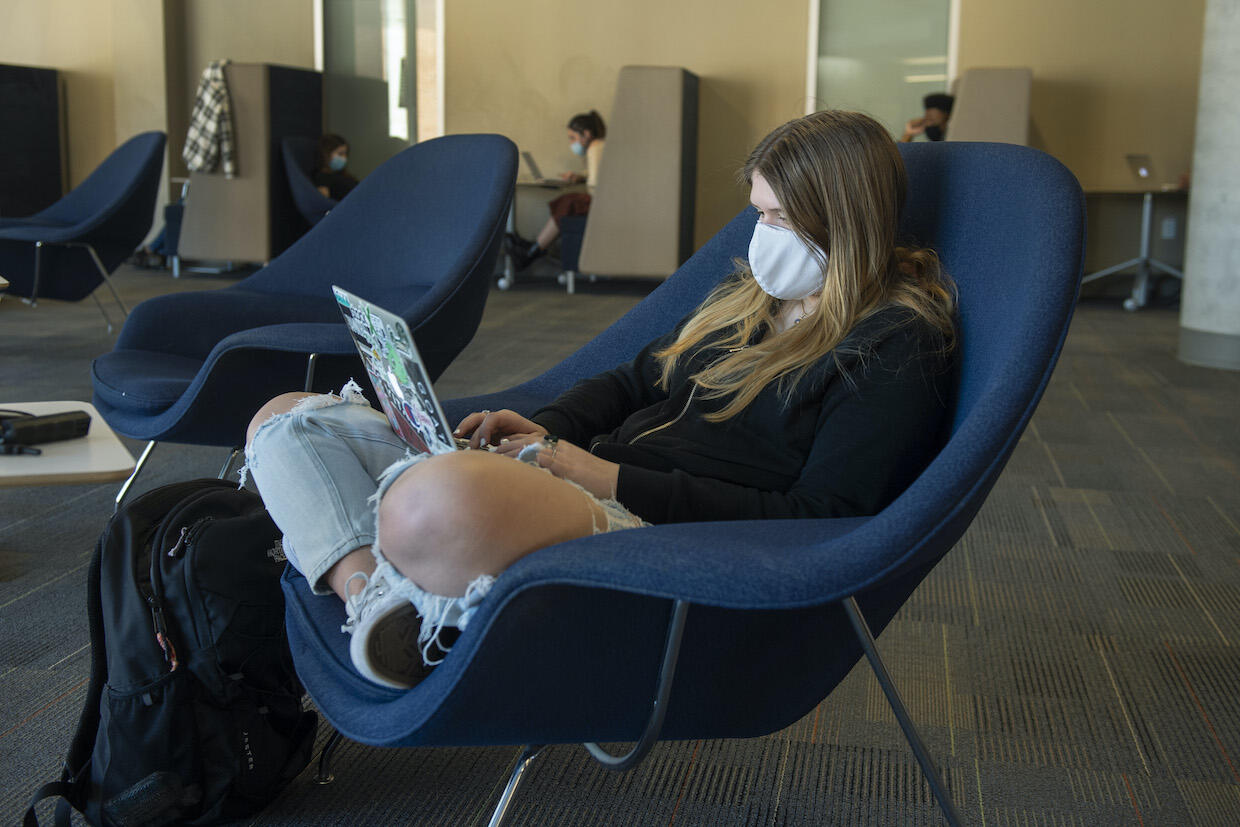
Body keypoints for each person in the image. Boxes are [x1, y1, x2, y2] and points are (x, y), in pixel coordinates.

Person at [243, 110, 958, 690]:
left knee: (427, 503)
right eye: (758, 213)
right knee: (283, 420)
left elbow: (822, 520)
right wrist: (545, 431)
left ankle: (386, 556)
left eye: (776, 217)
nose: (758, 235)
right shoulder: (752, 296)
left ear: (843, 219)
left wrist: (593, 473)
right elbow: (634, 380)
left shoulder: (894, 345)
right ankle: (379, 601)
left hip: (657, 533)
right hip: (580, 476)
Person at [508, 110, 606, 270]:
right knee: (567, 202)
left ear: (586, 134)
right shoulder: (600, 145)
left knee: (568, 202)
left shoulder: (594, 148)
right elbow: (597, 173)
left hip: (600, 201)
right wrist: (579, 176)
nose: (571, 143)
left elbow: (595, 184)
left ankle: (534, 250)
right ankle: (534, 248)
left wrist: (584, 181)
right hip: (604, 199)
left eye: (573, 138)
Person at [314, 133, 359, 200]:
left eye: (345, 154)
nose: (344, 158)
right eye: (340, 154)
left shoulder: (343, 174)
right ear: (326, 154)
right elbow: (323, 201)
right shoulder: (322, 177)